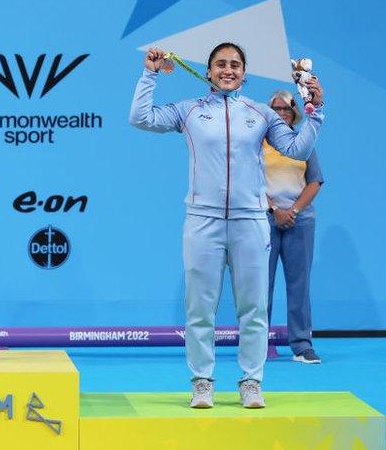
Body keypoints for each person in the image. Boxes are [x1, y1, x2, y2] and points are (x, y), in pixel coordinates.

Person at [129, 43, 325, 409]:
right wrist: (150, 73)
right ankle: (202, 380)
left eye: (235, 64)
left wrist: (315, 114)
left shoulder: (261, 114)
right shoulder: (189, 111)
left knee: (253, 307)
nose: (228, 69)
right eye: (220, 64)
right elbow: (141, 117)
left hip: (250, 220)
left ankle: (251, 380)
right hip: (202, 220)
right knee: (200, 308)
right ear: (208, 72)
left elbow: (297, 150)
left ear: (244, 73)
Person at [265, 89, 323, 364]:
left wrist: (293, 211)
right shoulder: (257, 143)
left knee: (299, 285)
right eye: (275, 109)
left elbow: (315, 181)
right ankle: (257, 345)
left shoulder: (304, 142)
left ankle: (302, 345)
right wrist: (275, 210)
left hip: (300, 221)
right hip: (264, 219)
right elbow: (249, 180)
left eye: (286, 109)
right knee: (259, 285)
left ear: (294, 113)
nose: (280, 113)